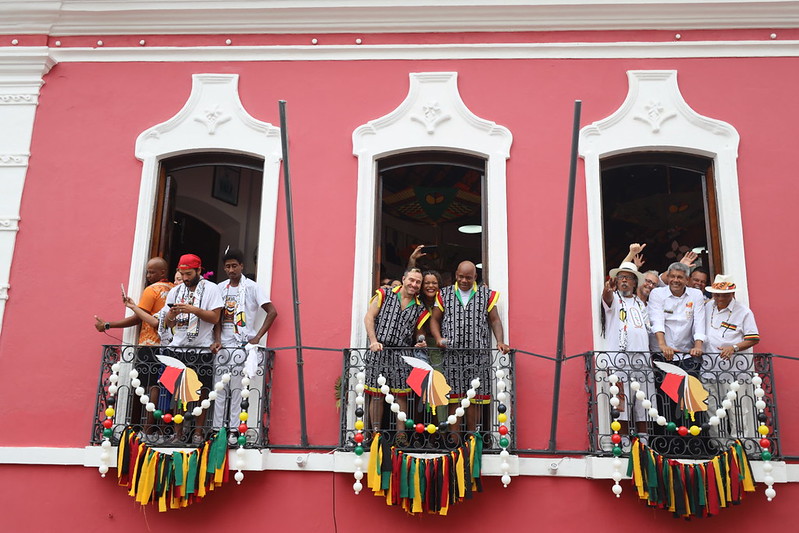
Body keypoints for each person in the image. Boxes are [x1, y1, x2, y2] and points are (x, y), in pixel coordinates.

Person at [430, 261, 510, 432]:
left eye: (468, 277)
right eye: (461, 277)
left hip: (478, 355)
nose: (464, 280)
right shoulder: (444, 294)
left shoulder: (486, 294)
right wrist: (438, 338)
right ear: (456, 274)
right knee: (454, 399)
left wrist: (500, 341)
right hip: (452, 355)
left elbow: (495, 320)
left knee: (474, 399)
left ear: (475, 277)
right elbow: (435, 319)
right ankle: (454, 441)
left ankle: (473, 438)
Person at [210, 249, 278, 433]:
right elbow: (216, 317)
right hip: (223, 345)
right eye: (227, 266)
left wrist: (257, 337)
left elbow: (272, 312)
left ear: (241, 266)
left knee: (238, 390)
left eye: (234, 266)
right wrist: (216, 340)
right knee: (220, 388)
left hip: (242, 344)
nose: (231, 270)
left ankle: (233, 430)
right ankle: (218, 430)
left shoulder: (252, 287)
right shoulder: (219, 288)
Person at [163, 253, 224, 443]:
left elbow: (215, 318)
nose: (186, 278)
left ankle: (198, 433)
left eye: (189, 274)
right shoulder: (175, 291)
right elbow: (166, 323)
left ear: (199, 270)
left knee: (202, 393)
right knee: (177, 394)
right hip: (177, 348)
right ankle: (177, 433)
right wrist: (171, 314)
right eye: (182, 274)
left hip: (201, 349)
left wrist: (193, 310)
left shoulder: (212, 289)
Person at [647, 262, 707, 450]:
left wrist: (698, 346)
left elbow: (699, 322)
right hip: (665, 356)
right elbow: (657, 320)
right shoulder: (658, 294)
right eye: (672, 276)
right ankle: (667, 443)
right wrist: (664, 346)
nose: (675, 280)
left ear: (687, 280)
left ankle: (692, 443)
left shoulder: (695, 295)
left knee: (690, 400)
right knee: (667, 399)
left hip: (688, 356)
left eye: (680, 277)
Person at [364, 267, 428, 431]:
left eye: (418, 282)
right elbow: (369, 317)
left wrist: (421, 342)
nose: (414, 284)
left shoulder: (420, 308)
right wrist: (373, 341)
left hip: (402, 354)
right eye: (411, 280)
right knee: (377, 395)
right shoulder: (384, 295)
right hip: (379, 350)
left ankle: (401, 436)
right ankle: (376, 434)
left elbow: (419, 334)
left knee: (401, 396)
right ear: (404, 279)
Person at [601, 261, 649, 435]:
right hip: (620, 359)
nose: (624, 281)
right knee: (621, 402)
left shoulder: (640, 303)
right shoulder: (614, 300)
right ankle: (625, 442)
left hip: (642, 358)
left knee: (643, 402)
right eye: (621, 277)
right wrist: (608, 289)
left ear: (635, 282)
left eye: (628, 278)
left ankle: (643, 441)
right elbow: (606, 297)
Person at [94, 257, 173, 346]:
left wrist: (107, 325)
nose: (148, 276)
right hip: (169, 343)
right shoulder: (174, 289)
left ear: (162, 272)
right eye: (147, 272)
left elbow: (137, 318)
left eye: (152, 272)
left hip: (151, 342)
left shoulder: (152, 290)